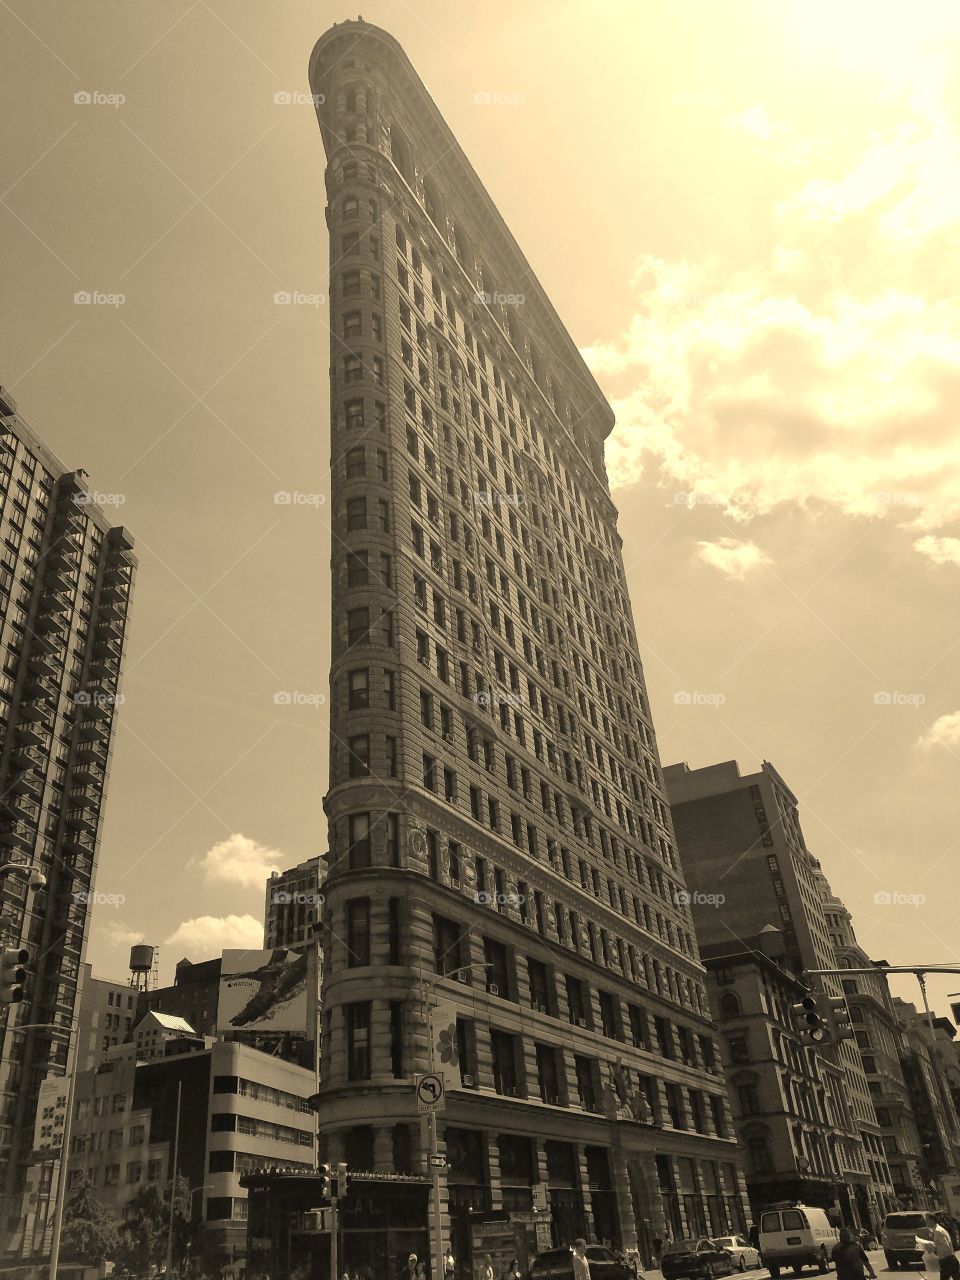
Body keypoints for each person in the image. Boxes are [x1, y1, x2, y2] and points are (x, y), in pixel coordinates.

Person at [925, 1215, 960, 1280]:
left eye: (927, 1220)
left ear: (932, 1220)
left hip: (947, 1261)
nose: (926, 1222)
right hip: (950, 1259)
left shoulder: (938, 1231)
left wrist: (933, 1249)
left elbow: (945, 1246)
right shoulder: (939, 1230)